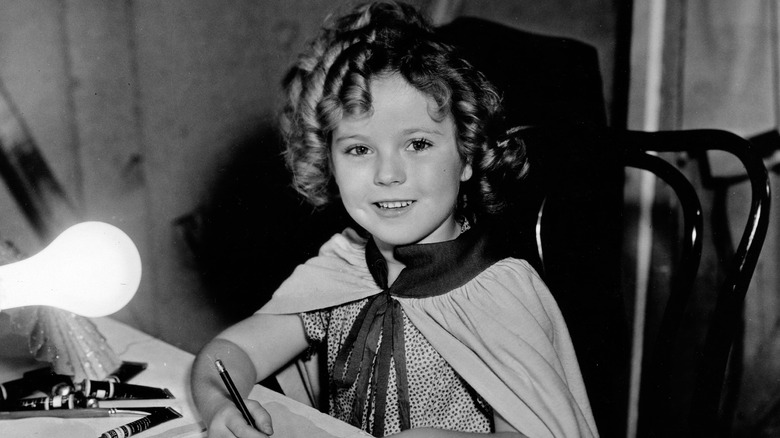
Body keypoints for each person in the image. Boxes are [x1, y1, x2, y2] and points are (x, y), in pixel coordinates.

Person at [191, 2, 598, 437]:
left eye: (418, 144)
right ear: (328, 160)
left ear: (467, 155)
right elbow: (230, 352)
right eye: (359, 149)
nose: (388, 174)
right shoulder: (344, 269)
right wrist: (219, 407)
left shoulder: (500, 293)